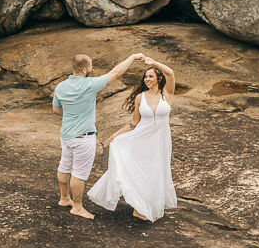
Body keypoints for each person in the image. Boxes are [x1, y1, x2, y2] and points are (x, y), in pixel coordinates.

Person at [53, 52, 144, 219]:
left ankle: (65, 198)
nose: (92, 69)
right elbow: (116, 73)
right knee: (78, 173)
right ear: (84, 69)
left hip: (66, 135)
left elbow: (56, 109)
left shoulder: (60, 86)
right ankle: (78, 207)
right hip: (83, 137)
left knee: (64, 165)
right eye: (90, 66)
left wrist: (71, 116)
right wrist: (132, 57)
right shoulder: (89, 84)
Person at [88, 56, 178, 222]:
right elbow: (134, 122)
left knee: (156, 172)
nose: (147, 79)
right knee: (140, 172)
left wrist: (153, 63)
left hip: (160, 140)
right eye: (145, 76)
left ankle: (148, 205)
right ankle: (139, 207)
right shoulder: (140, 97)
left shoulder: (167, 94)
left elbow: (171, 73)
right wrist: (117, 134)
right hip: (141, 140)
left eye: (151, 76)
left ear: (159, 78)